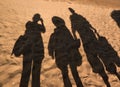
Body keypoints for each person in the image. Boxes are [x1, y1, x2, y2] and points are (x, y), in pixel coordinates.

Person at [48, 16, 83, 87]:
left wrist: (51, 52)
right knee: (74, 73)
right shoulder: (66, 32)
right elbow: (72, 43)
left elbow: (51, 45)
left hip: (62, 56)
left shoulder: (54, 34)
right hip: (70, 55)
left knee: (66, 74)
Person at [19, 13, 46, 87]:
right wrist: (42, 22)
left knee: (25, 71)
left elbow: (43, 30)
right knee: (36, 73)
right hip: (37, 50)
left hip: (28, 49)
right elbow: (44, 30)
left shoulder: (29, 24)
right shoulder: (38, 26)